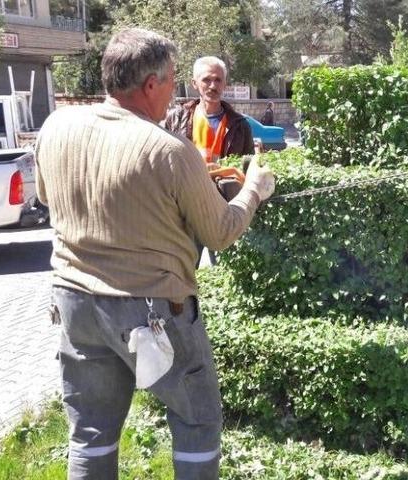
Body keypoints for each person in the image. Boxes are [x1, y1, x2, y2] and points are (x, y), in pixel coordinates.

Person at [34, 28, 275, 479]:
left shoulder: (56, 126)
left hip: (74, 305)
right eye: (171, 80)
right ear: (150, 84)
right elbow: (221, 232)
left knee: (90, 433)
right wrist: (255, 192)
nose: (174, 90)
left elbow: (48, 197)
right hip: (151, 311)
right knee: (196, 420)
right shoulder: (169, 150)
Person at [165, 56, 254, 163]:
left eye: (218, 80)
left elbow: (248, 167)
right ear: (194, 83)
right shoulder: (175, 119)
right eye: (206, 80)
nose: (213, 86)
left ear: (224, 84)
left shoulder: (240, 126)